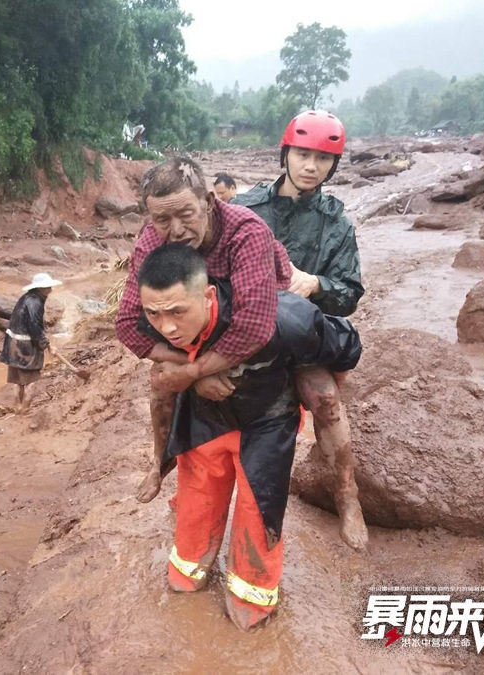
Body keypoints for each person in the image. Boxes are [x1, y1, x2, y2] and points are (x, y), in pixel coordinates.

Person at [136, 243, 362, 630]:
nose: (167, 327)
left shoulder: (287, 317)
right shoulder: (152, 320)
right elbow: (156, 359)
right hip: (205, 420)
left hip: (266, 422)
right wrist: (193, 372)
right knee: (194, 514)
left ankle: (347, 494)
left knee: (258, 515)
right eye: (154, 314)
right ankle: (164, 479)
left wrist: (321, 379)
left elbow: (346, 345)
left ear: (207, 297)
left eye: (177, 312)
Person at [115, 156, 293, 505]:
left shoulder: (246, 232)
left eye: (186, 214)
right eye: (162, 219)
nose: (176, 230)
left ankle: (345, 490)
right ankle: (159, 460)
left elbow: (255, 327)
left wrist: (192, 370)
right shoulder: (152, 239)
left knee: (322, 394)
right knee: (160, 381)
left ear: (209, 202)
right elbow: (126, 324)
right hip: (201, 326)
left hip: (273, 318)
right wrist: (191, 374)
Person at [232, 110, 368, 550]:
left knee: (326, 399)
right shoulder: (244, 208)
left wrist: (316, 284)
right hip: (247, 331)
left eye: (323, 159)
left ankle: (348, 497)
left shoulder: (337, 223)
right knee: (198, 388)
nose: (311, 166)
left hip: (303, 336)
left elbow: (349, 294)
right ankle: (180, 478)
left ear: (334, 165)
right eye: (303, 154)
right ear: (286, 153)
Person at [0, 272, 62, 413]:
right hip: (25, 347)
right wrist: (48, 345)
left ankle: (17, 408)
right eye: (48, 287)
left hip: (12, 343)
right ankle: (25, 411)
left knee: (17, 380)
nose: (50, 290)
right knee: (32, 379)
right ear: (41, 288)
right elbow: (35, 328)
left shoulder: (24, 298)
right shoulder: (36, 303)